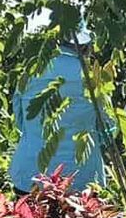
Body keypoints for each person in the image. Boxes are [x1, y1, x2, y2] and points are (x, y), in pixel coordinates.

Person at [9, 42, 105, 192]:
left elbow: (20, 123)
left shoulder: (30, 72)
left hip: (30, 175)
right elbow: (107, 129)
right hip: (82, 178)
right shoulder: (92, 77)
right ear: (86, 47)